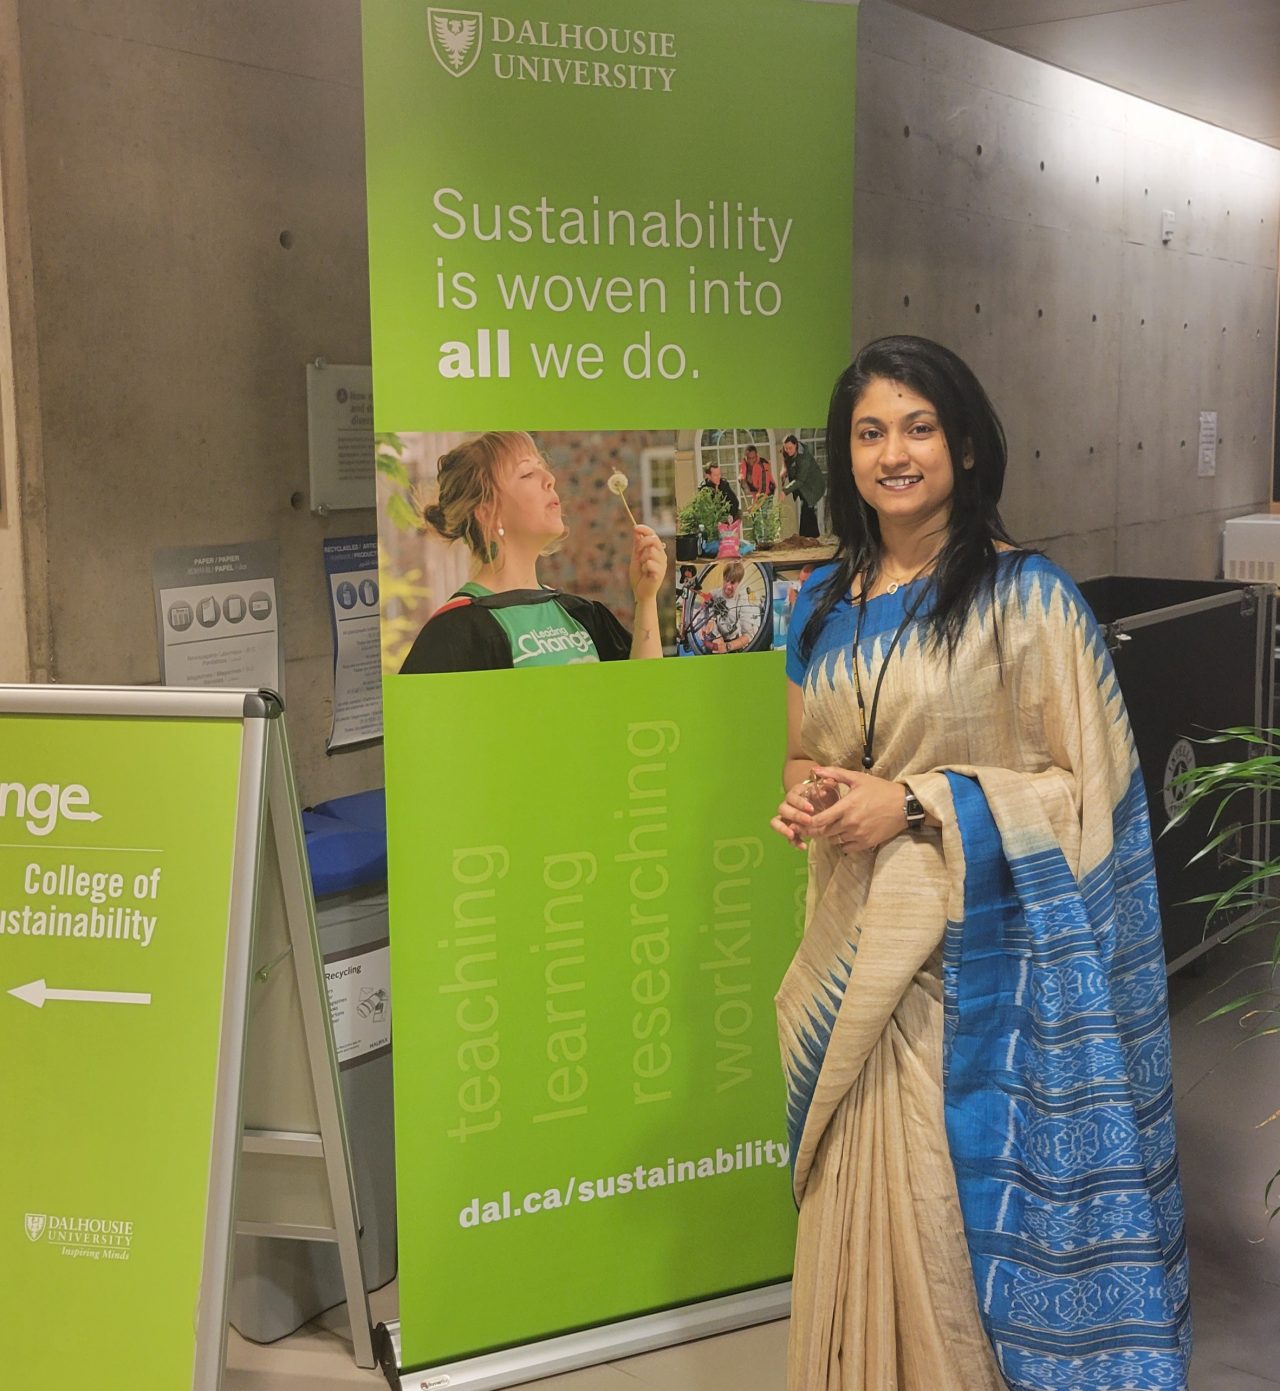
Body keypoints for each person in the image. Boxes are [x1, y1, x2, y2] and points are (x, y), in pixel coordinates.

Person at [770, 336, 1191, 1391]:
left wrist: (916, 799)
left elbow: (1085, 789)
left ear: (963, 443)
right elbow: (803, 748)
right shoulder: (815, 602)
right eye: (869, 432)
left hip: (975, 971)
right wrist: (811, 793)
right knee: (855, 1201)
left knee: (940, 1213)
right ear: (844, 454)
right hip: (851, 943)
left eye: (917, 427)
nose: (892, 452)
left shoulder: (1027, 596)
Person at [399, 432, 667, 673]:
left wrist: (645, 600)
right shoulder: (452, 635)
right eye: (527, 474)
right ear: (487, 512)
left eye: (544, 469)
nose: (550, 479)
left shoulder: (583, 615)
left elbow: (645, 702)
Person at [694, 560, 761, 653]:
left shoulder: (743, 601)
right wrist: (703, 628)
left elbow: (748, 636)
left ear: (739, 582)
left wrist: (727, 647)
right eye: (726, 580)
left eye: (733, 582)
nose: (728, 586)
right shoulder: (713, 594)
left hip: (731, 644)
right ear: (723, 578)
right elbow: (701, 615)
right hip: (712, 641)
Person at [779, 434, 825, 538]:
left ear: (796, 445)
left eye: (790, 448)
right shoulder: (787, 450)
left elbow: (800, 480)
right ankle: (810, 537)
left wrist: (785, 491)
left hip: (813, 485)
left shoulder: (804, 458)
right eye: (786, 448)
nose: (788, 450)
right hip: (802, 485)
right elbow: (784, 456)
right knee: (807, 509)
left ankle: (807, 537)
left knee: (807, 508)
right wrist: (784, 469)